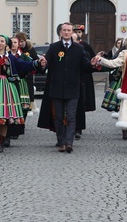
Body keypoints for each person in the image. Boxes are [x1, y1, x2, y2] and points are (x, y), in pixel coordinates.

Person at [37, 22, 95, 153]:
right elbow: (47, 65)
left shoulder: (79, 49)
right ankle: (61, 141)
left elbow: (85, 66)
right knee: (58, 117)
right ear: (60, 33)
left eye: (69, 30)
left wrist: (91, 64)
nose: (67, 32)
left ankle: (69, 142)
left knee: (70, 116)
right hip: (56, 88)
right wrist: (43, 64)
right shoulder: (54, 47)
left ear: (72, 33)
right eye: (64, 30)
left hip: (73, 88)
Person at [73, 24, 97, 140]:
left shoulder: (86, 46)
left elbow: (91, 61)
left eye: (79, 32)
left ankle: (79, 128)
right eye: (76, 31)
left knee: (81, 104)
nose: (78, 33)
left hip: (84, 78)